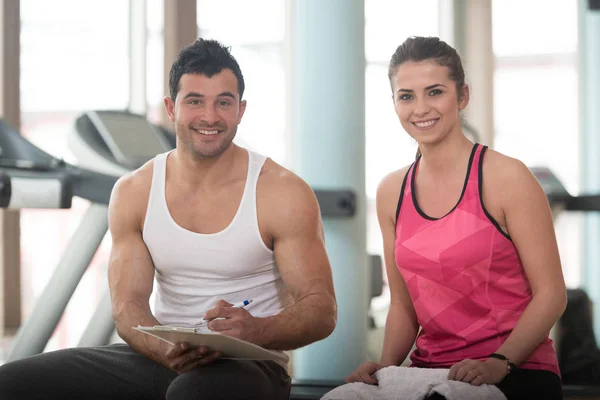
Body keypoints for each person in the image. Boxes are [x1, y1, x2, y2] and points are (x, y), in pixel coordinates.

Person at [0, 38, 337, 400]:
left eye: (223, 102)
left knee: (191, 394)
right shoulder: (135, 190)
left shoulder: (282, 192)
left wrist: (257, 330)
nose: (210, 117)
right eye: (195, 101)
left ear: (240, 110)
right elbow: (128, 305)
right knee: (13, 383)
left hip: (249, 365)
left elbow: (321, 309)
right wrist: (166, 350)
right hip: (161, 357)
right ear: (171, 108)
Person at [336, 36, 567, 399]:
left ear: (463, 97)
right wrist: (385, 367)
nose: (420, 108)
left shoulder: (507, 177)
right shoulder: (390, 191)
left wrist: (499, 362)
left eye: (435, 92)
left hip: (515, 370)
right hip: (429, 371)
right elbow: (402, 306)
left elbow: (551, 294)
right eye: (406, 96)